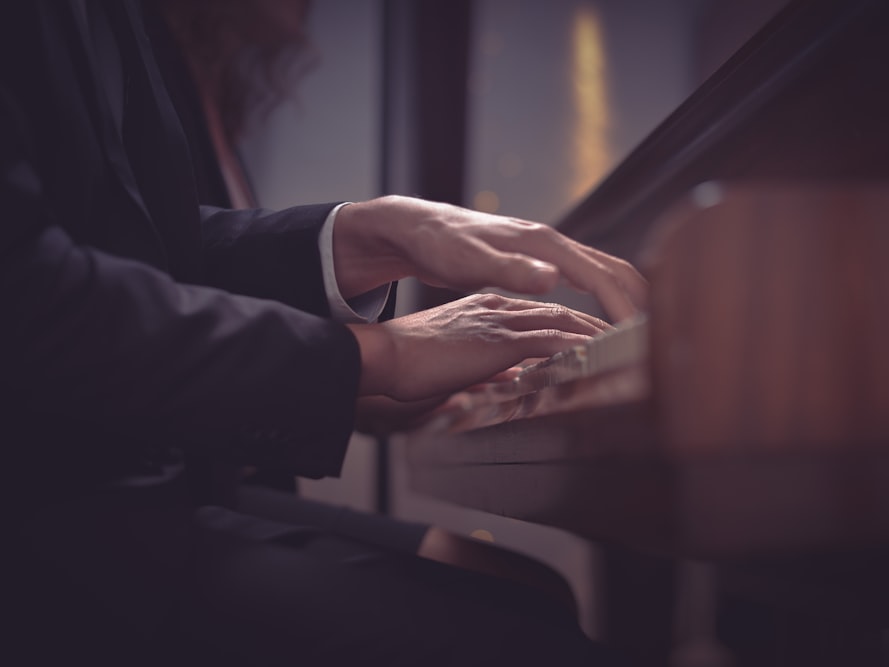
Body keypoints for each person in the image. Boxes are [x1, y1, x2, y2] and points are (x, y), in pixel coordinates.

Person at [2, 2, 647, 665]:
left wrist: (373, 233)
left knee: (535, 599)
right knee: (533, 635)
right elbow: (31, 302)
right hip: (54, 529)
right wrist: (378, 358)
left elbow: (145, 252)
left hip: (129, 494)